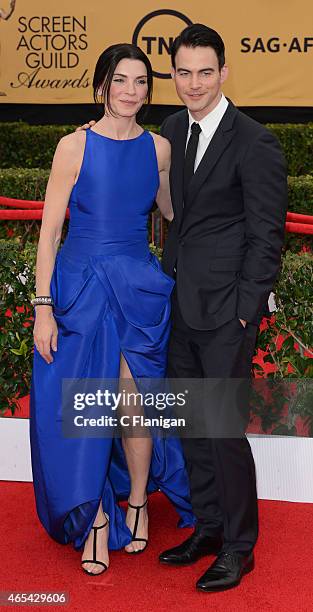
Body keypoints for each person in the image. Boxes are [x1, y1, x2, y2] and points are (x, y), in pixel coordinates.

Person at [29, 43, 194, 577]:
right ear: (102, 85)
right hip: (81, 290)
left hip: (137, 289)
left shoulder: (159, 149)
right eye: (120, 80)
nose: (130, 91)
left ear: (150, 89)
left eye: (141, 82)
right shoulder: (73, 147)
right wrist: (43, 307)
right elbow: (50, 232)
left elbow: (171, 212)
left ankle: (139, 500)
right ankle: (96, 517)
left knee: (132, 404)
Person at [156, 24, 288, 592]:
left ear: (224, 72)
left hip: (226, 313)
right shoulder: (169, 129)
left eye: (204, 72)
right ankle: (207, 527)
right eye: (183, 72)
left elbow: (267, 234)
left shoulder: (254, 141)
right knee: (192, 425)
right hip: (181, 305)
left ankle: (239, 546)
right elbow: (174, 219)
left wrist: (245, 309)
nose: (193, 83)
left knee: (225, 430)